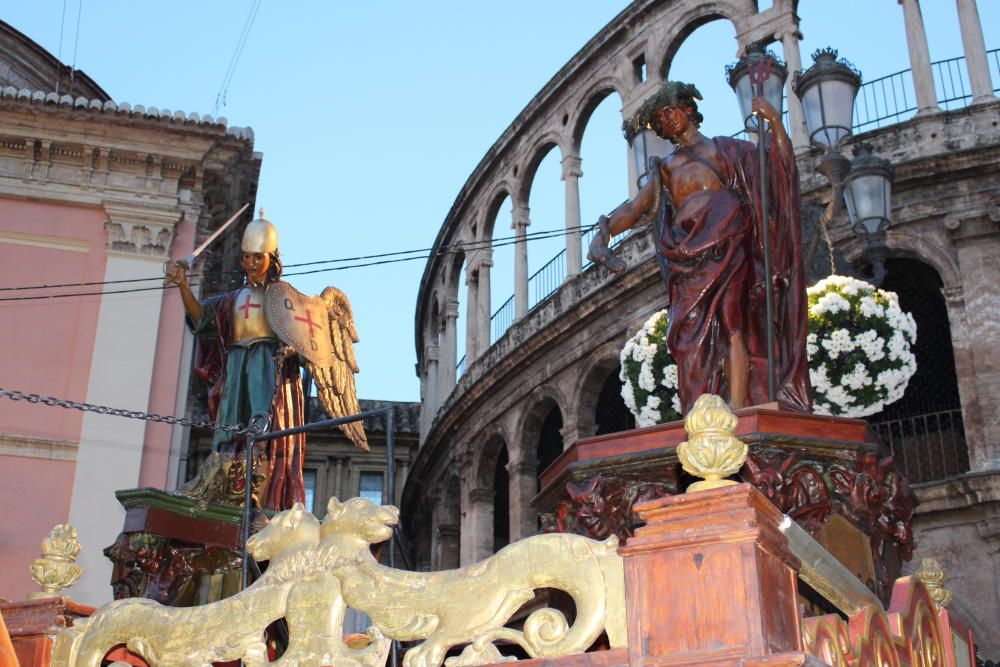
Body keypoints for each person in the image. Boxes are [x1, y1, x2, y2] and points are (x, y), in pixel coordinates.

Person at [589, 82, 811, 413]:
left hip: (729, 244)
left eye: (668, 112)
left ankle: (738, 408)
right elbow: (636, 208)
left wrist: (775, 121)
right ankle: (703, 410)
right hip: (689, 259)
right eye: (658, 120)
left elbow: (778, 169)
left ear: (688, 109)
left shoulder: (729, 151)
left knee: (732, 321)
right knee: (690, 338)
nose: (665, 122)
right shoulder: (666, 168)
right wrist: (602, 233)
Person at [165, 213, 307, 510]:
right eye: (246, 258)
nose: (250, 264)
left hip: (266, 361)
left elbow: (304, 340)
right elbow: (201, 318)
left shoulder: (283, 299)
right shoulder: (231, 299)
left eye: (257, 257)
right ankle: (228, 450)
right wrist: (182, 287)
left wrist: (292, 350)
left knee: (260, 368)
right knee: (230, 412)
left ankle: (259, 429)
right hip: (236, 362)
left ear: (272, 258)